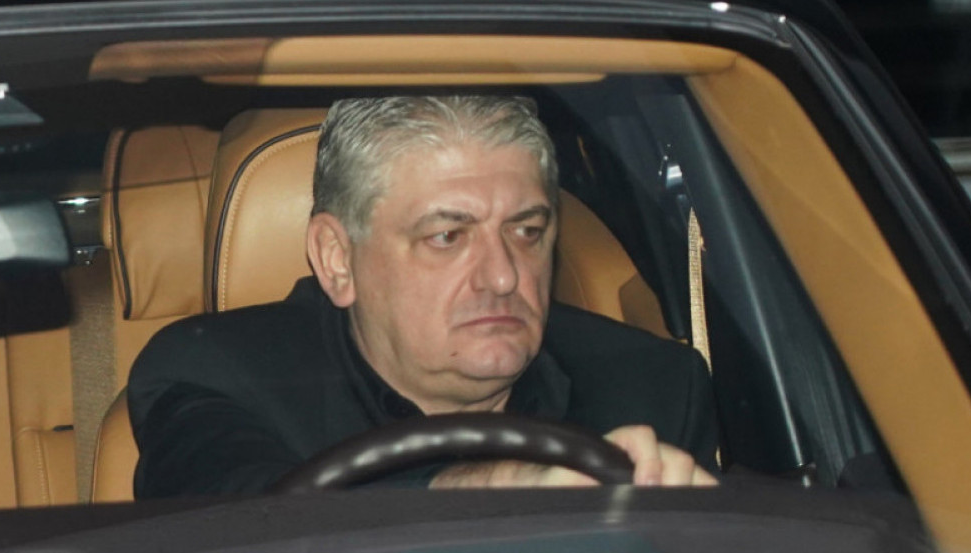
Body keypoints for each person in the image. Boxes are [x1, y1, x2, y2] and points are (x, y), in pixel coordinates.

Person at [129, 96, 718, 497]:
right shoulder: (216, 374)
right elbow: (233, 532)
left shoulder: (653, 389)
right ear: (337, 258)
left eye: (526, 232)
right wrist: (500, 490)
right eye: (447, 237)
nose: (503, 277)